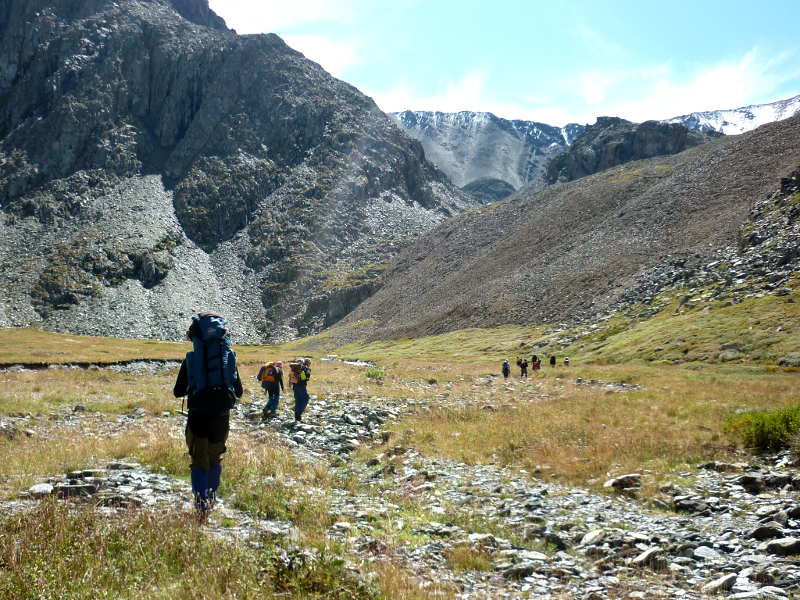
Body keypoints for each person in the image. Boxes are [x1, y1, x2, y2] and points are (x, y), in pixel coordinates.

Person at [173, 313, 243, 517]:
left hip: (198, 416)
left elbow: (178, 391)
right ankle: (211, 498)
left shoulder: (191, 358)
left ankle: (200, 504)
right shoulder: (229, 357)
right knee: (214, 457)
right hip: (221, 416)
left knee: (199, 460)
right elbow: (238, 391)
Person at [289, 358, 312, 422]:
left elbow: (290, 377)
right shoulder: (305, 368)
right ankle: (299, 413)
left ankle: (297, 417)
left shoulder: (294, 368)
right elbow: (306, 378)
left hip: (295, 386)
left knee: (298, 400)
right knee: (305, 399)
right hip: (301, 386)